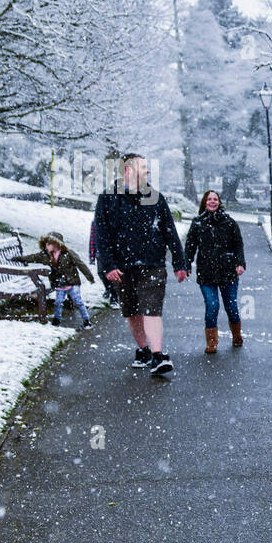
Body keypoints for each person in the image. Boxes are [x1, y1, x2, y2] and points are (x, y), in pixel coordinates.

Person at [93, 153, 188, 376]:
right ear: (128, 170)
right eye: (142, 167)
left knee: (151, 309)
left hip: (152, 262)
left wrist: (179, 262)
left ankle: (157, 355)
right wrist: (107, 266)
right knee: (132, 311)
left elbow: (169, 231)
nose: (147, 170)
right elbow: (102, 235)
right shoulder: (108, 198)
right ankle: (143, 350)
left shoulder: (155, 197)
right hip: (122, 266)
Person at [184, 189, 246, 353]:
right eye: (209, 199)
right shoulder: (197, 223)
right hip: (206, 273)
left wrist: (240, 263)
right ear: (205, 202)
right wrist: (186, 264)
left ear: (219, 202)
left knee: (231, 307)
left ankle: (237, 335)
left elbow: (238, 245)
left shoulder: (229, 222)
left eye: (215, 199)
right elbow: (190, 246)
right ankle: (211, 342)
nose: (212, 202)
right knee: (212, 306)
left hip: (228, 271)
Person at [13, 231, 95, 329]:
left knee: (78, 301)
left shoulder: (68, 253)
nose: (46, 246)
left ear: (57, 244)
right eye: (46, 243)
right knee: (58, 302)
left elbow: (81, 265)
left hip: (72, 282)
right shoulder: (46, 255)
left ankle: (86, 321)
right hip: (59, 283)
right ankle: (56, 320)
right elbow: (32, 257)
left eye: (49, 243)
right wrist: (18, 259)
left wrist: (90, 277)